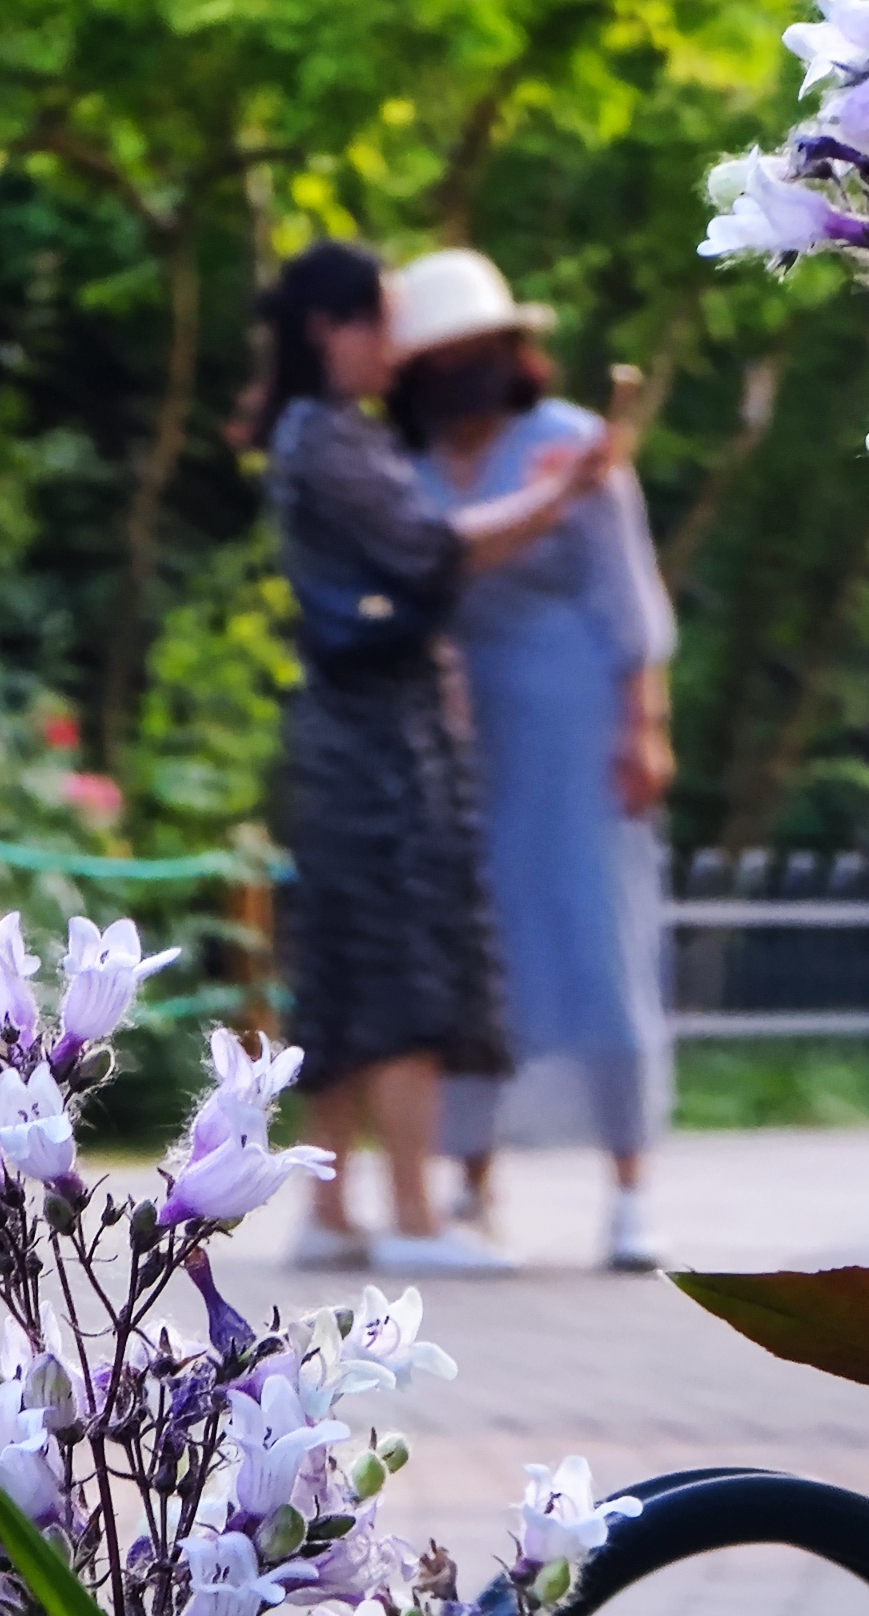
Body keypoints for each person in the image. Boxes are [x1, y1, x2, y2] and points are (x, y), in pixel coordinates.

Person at [255, 239, 587, 1274]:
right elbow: (432, 549)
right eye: (380, 323)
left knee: (347, 965)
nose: (394, 350)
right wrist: (556, 495)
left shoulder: (316, 435)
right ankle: (406, 1213)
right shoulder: (330, 440)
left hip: (357, 728)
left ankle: (330, 1212)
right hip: (374, 732)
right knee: (396, 961)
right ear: (330, 329)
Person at [385, 247, 680, 1271]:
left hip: (573, 712)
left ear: (511, 353)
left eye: (478, 351)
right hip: (458, 727)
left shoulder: (573, 447)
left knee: (596, 942)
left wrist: (643, 725)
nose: (461, 371)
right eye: (442, 356)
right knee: (479, 954)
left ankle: (631, 1185)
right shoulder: (405, 469)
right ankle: (472, 1179)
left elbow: (628, 595)